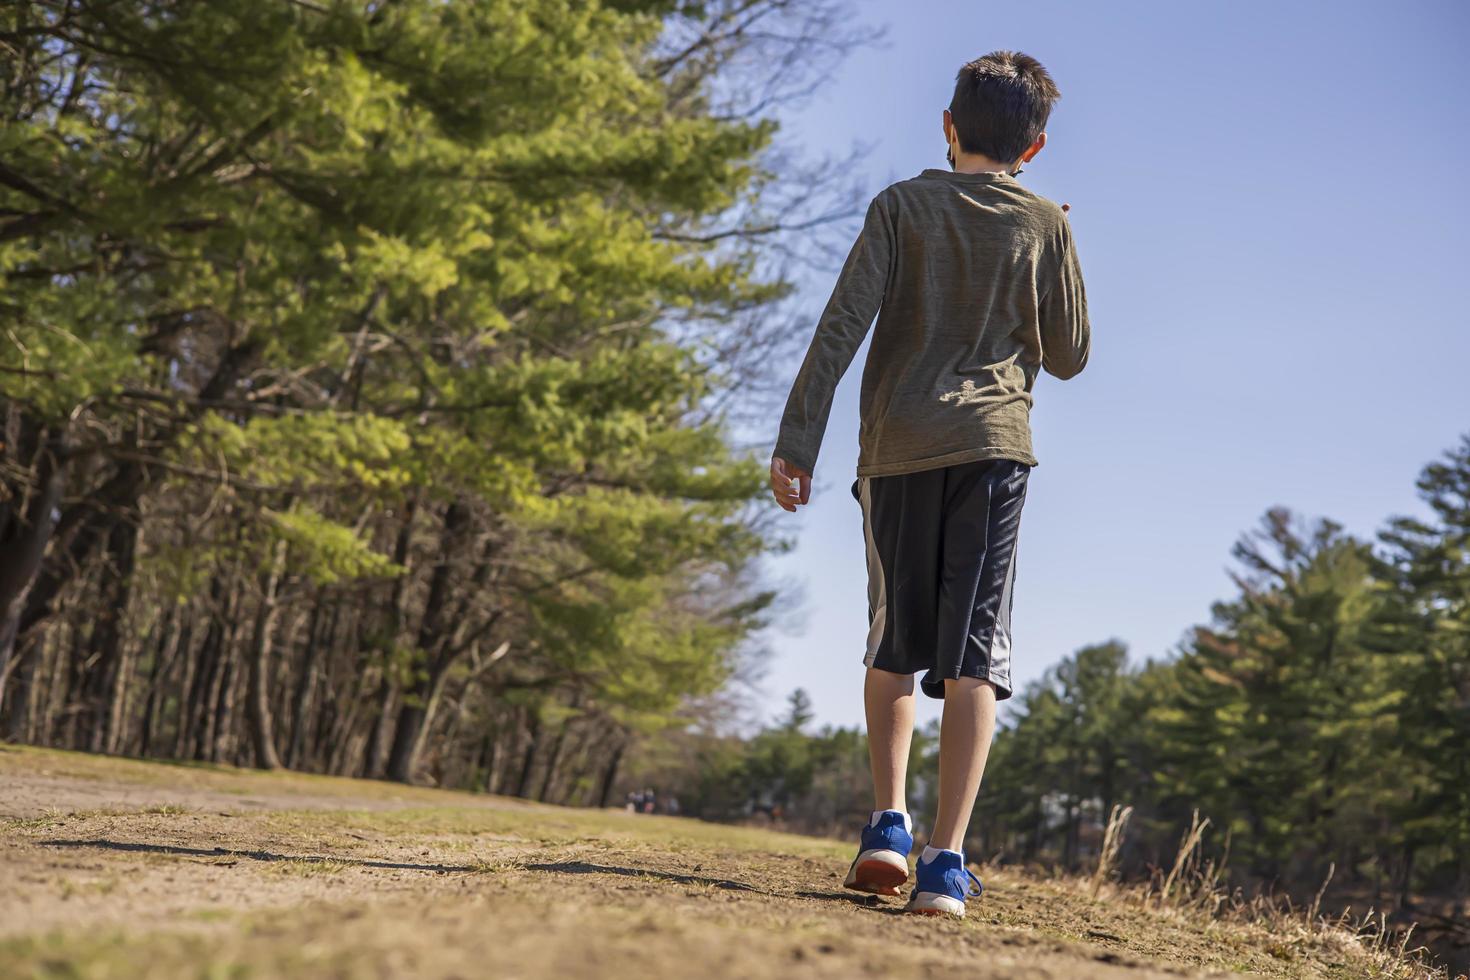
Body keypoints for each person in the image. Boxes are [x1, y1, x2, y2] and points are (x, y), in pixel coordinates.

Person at [769, 50, 1089, 917]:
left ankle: (886, 827)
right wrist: (1055, 239)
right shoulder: (1044, 226)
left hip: (898, 447)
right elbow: (1069, 356)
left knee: (893, 643)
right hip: (993, 449)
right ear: (1038, 145)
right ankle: (945, 863)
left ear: (948, 128)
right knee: (976, 656)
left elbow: (840, 328)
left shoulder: (900, 207)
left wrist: (798, 442)